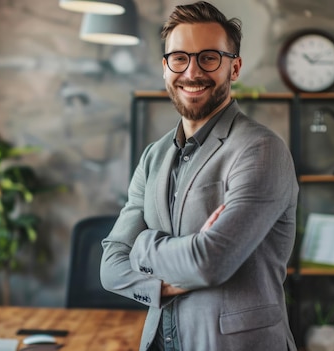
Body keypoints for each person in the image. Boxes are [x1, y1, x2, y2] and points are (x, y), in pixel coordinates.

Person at [100, 1, 298, 350]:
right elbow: (111, 265)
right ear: (165, 67)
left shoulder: (261, 150)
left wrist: (144, 246)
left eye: (209, 57)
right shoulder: (153, 156)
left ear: (234, 68)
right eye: (180, 58)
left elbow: (210, 263)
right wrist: (173, 280)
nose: (192, 72)